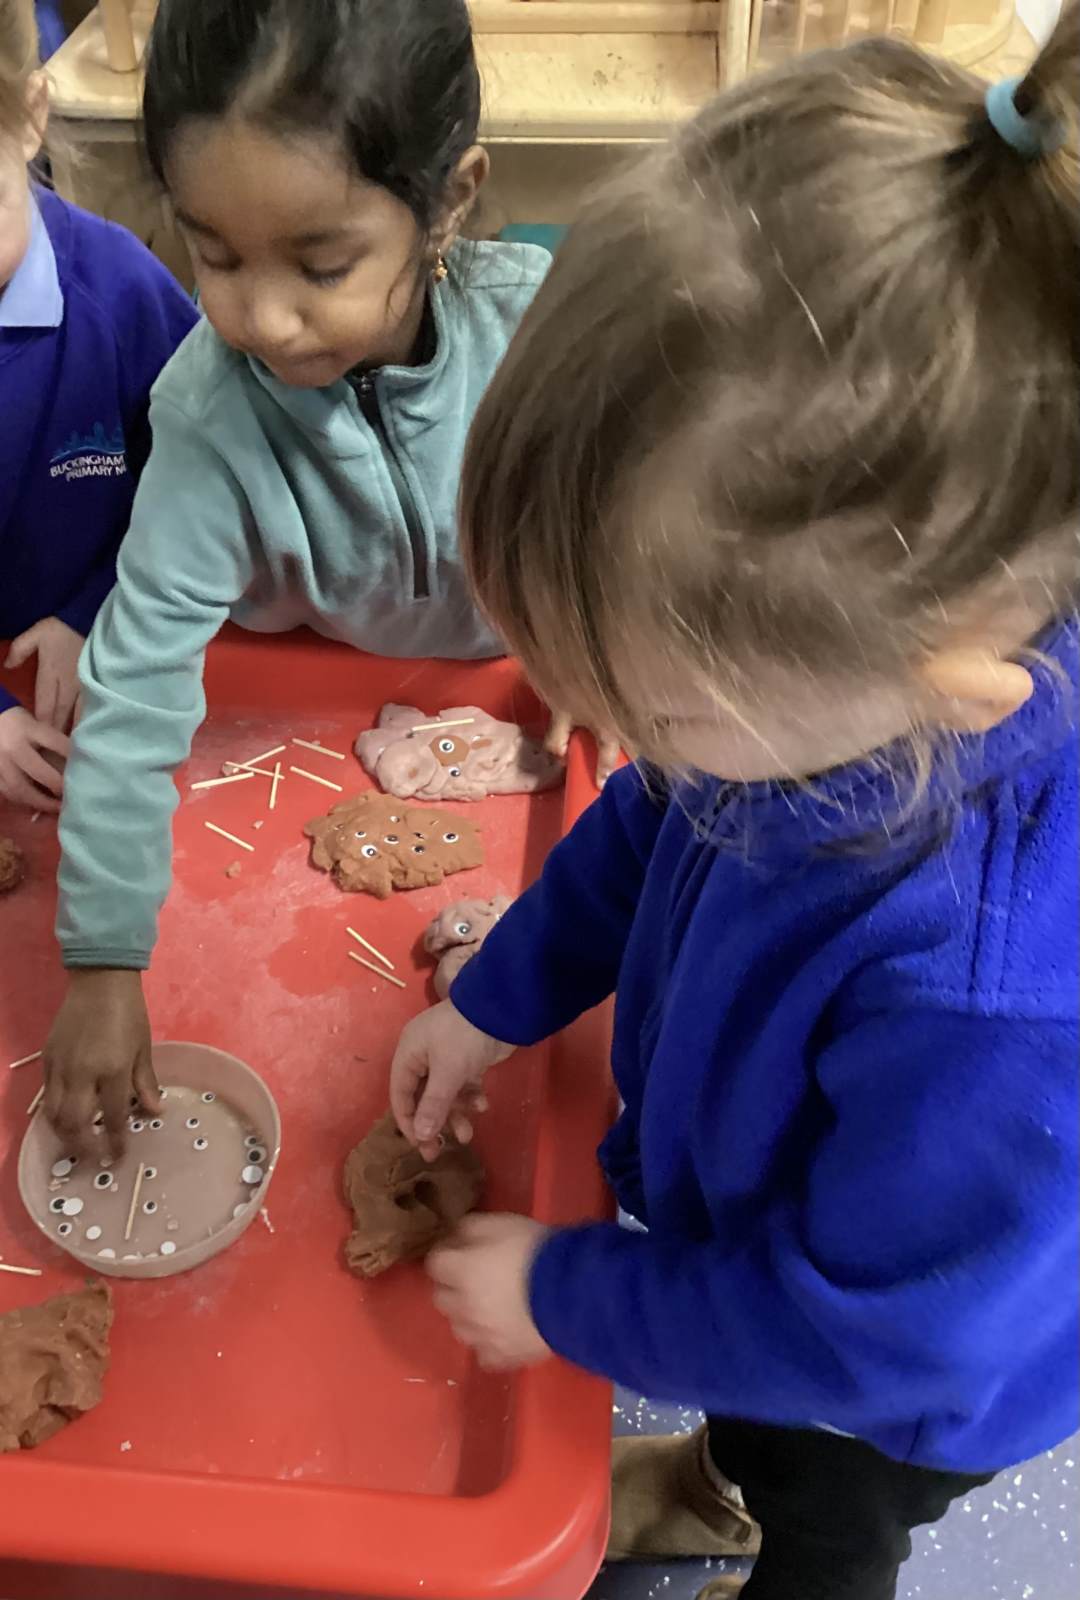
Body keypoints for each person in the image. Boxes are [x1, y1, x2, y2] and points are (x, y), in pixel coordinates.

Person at [389, 12, 1080, 1600]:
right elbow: (654, 824)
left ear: (946, 678)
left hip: (890, 1386)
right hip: (791, 1257)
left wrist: (568, 1301)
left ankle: (758, 1514)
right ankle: (713, 1481)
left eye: (667, 716)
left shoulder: (986, 1013)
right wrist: (496, 1001)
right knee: (753, 1435)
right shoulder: (819, 699)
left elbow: (867, 1330)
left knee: (822, 1515)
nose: (635, 748)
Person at [40, 0, 566, 1150]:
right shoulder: (207, 415)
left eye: (322, 265)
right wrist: (104, 960)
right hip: (298, 689)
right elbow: (136, 692)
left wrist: (593, 650)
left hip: (517, 674)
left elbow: (610, 512)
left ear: (449, 201)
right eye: (215, 255)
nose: (262, 318)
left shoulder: (535, 335)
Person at [0, 0, 197, 812]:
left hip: (101, 652)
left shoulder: (119, 293)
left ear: (28, 118)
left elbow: (199, 484)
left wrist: (98, 605)